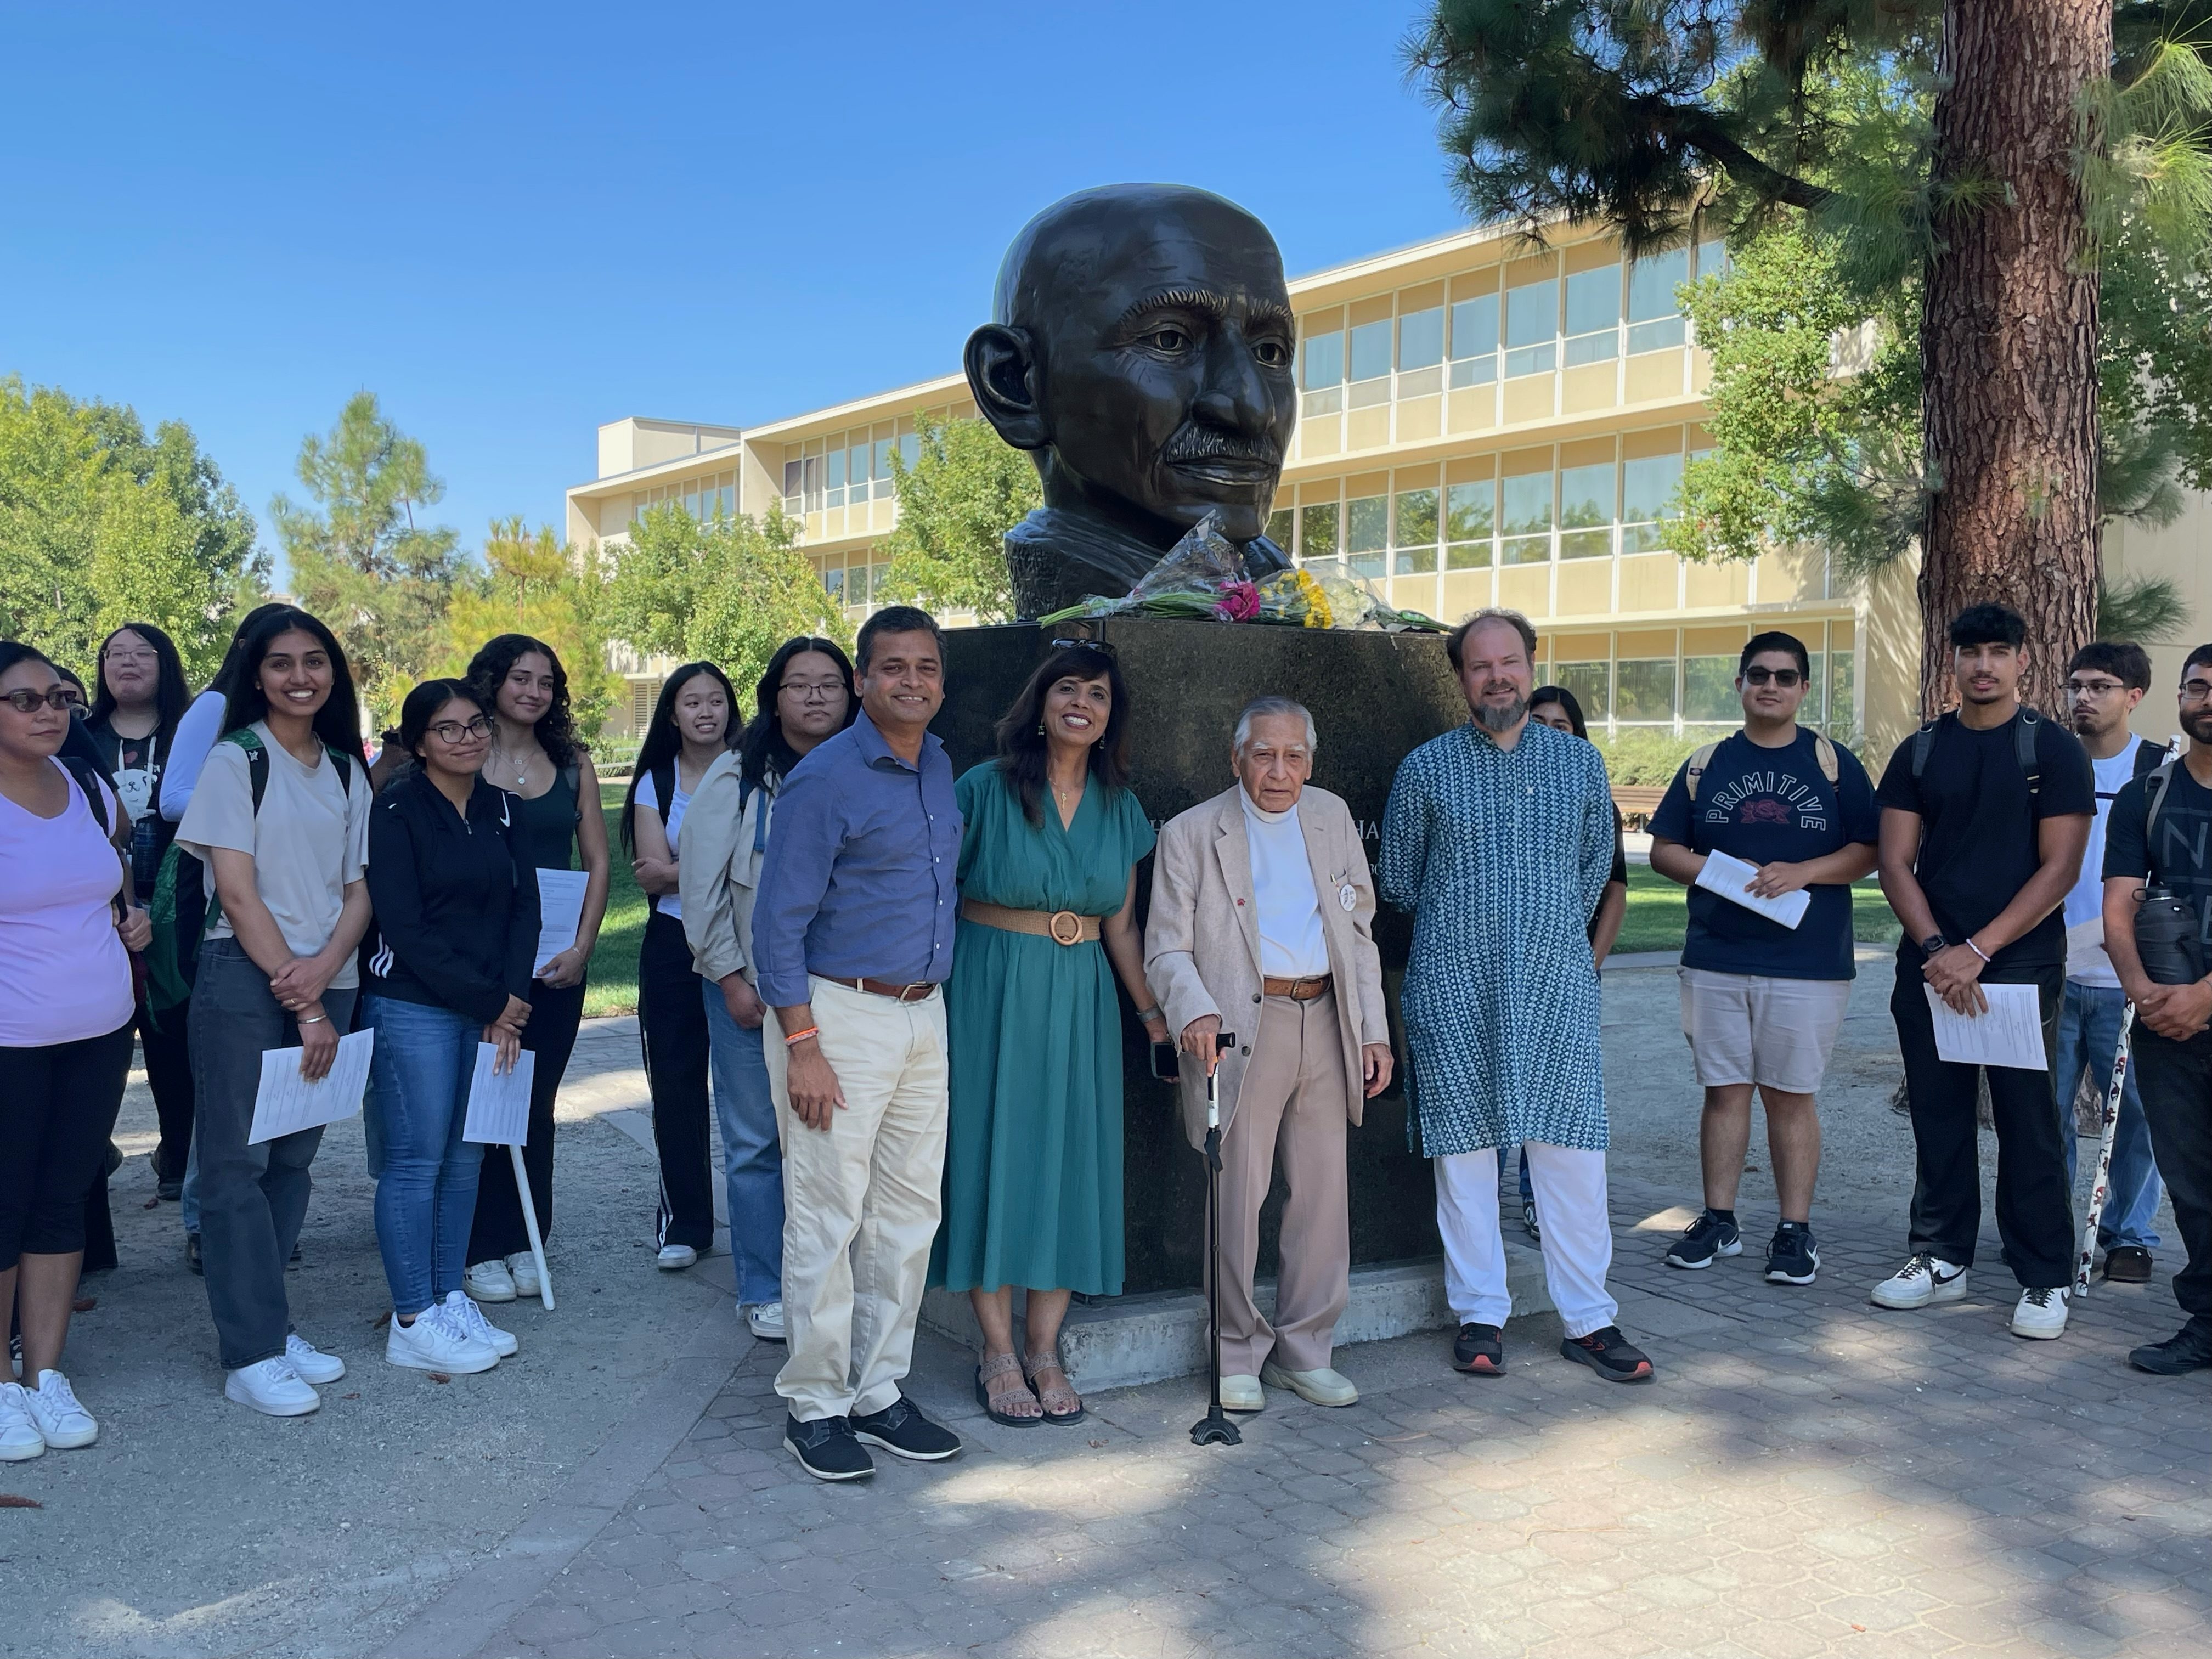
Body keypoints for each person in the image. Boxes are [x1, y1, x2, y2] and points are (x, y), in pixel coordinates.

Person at [1380, 608, 1654, 1383]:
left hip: (1554, 985)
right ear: (1461, 677)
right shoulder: (1426, 769)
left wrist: (1535, 930)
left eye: (1509, 662)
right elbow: (1398, 880)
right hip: (1455, 987)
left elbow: (1595, 867)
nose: (1496, 676)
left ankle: (1590, 1321)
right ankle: (1480, 1316)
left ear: (1531, 666)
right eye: (1479, 665)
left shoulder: (1577, 767)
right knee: (1466, 1159)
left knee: (1570, 1155)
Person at [753, 605, 964, 1481]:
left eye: (925, 668)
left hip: (924, 1014)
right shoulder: (825, 778)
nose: (910, 681)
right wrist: (803, 1042)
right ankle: (814, 1402)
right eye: (891, 668)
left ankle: (878, 1390)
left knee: (908, 1217)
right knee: (828, 1215)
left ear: (941, 684)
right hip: (837, 1016)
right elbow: (776, 923)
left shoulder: (940, 765)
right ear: (864, 682)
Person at [933, 639, 1165, 1426]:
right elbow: (933, 894)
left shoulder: (1122, 808)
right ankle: (995, 1350)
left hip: (1084, 996)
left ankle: (1044, 1347)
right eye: (1068, 689)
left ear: (1110, 717)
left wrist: (1151, 1014)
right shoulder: (983, 790)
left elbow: (1124, 928)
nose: (1083, 704)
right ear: (1041, 703)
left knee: (1069, 1161)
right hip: (991, 987)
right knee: (990, 1153)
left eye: (1098, 696)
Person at [1146, 696, 1392, 1413]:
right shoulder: (1195, 833)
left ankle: (1306, 1351)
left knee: (1322, 1199)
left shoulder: (1332, 817)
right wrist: (1194, 1007)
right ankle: (1234, 1353)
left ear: (1310, 762)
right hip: (1241, 1027)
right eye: (1264, 754)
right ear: (1237, 758)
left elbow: (1359, 936)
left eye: (1293, 756)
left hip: (1326, 1018)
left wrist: (1372, 1029)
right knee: (1237, 1194)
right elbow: (1166, 944)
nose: (1279, 771)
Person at [1874, 602, 2094, 1339]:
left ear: (2022, 662)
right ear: (1954, 660)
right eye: (1971, 652)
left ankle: (2042, 1277)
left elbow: (2060, 870)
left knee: (2027, 1123)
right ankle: (1940, 1259)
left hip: (2018, 964)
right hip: (1932, 967)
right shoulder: (1921, 751)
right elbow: (1893, 862)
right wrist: (1939, 951)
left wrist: (1980, 951)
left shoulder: (2053, 751)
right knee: (1939, 1115)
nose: (1984, 665)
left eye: (1999, 652)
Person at [174, 605, 373, 1416]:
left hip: (330, 978)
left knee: (292, 1161)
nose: (301, 677)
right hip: (247, 983)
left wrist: (326, 975)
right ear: (256, 674)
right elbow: (235, 890)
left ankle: (274, 1321)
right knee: (235, 1169)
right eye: (283, 663)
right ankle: (250, 1350)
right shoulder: (236, 758)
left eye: (315, 661)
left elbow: (360, 890)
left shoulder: (347, 768)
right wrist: (306, 999)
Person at [1646, 632, 1881, 1285]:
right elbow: (1666, 848)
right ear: (1741, 684)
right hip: (1717, 956)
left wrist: (1804, 872)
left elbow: (1870, 849)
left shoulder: (1835, 764)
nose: (1770, 685)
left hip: (1807, 962)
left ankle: (1794, 1231)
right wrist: (1720, 872)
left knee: (1790, 1097)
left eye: (1784, 676)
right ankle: (1719, 1220)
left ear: (1804, 688)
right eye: (1758, 675)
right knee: (1723, 1093)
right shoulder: (1706, 763)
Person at [679, 637, 856, 1342]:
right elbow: (702, 889)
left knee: (832, 1142)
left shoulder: (869, 770)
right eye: (799, 685)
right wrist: (727, 976)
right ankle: (763, 1285)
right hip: (751, 992)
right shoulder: (737, 776)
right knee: (757, 1143)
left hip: (843, 992)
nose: (815, 697)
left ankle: (832, 1280)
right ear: (773, 697)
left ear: (851, 694)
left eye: (829, 685)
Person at [363, 680, 538, 1373]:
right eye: (447, 729)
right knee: (417, 1159)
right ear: (418, 741)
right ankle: (411, 1317)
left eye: (475, 726)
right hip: (415, 1003)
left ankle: (445, 1295)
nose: (466, 739)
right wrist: (488, 1002)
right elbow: (403, 926)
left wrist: (511, 1001)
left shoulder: (504, 808)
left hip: (491, 1006)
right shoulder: (397, 808)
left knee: (467, 1157)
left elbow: (524, 910)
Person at [0, 642, 148, 1460]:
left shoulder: (88, 786)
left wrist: (132, 911)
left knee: (63, 1200)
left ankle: (46, 1372)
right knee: (3, 1206)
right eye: (25, 700)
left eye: (59, 696)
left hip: (97, 1031)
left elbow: (116, 858)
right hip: (9, 1040)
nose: (51, 711)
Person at [460, 636, 612, 1305]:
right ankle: (477, 1247)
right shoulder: (462, 752)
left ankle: (527, 1238)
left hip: (554, 960)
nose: (534, 691)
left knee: (534, 1107)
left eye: (546, 682)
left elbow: (600, 863)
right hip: (479, 962)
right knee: (481, 1103)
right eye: (520, 678)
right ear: (492, 681)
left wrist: (583, 948)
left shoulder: (573, 763)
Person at [155, 601, 287, 1271]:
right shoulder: (213, 707)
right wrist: (245, 796)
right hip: (213, 895)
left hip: (291, 903)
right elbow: (174, 799)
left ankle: (257, 1222)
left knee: (276, 1084)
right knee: (226, 1080)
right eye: (274, 651)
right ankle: (205, 1222)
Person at [2099, 643, 2212, 1374]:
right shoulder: (2150, 793)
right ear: (2177, 697)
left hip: (2194, 1002)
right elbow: (2116, 908)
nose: (2208, 698)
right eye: (2198, 686)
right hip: (2166, 1020)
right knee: (2193, 1181)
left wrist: (2206, 995)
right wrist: (2143, 993)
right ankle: (2208, 1322)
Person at [2056, 641, 2168, 1283]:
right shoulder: (2050, 763)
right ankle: (2052, 1228)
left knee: (2136, 1120)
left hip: (2126, 975)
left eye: (2100, 686)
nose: (2084, 697)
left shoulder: (2160, 769)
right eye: (2076, 685)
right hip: (2052, 974)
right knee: (2047, 1116)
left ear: (2134, 696)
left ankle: (2128, 1234)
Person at [625, 662, 737, 1273]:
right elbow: (648, 870)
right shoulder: (655, 782)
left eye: (715, 700)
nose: (704, 712)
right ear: (672, 713)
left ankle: (765, 1218)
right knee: (675, 1084)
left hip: (740, 942)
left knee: (752, 1089)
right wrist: (718, 863)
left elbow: (673, 870)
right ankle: (686, 1224)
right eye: (691, 702)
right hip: (672, 943)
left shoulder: (752, 772)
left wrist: (683, 867)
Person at [84, 622, 196, 1200]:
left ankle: (181, 1170)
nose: (126, 663)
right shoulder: (79, 736)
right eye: (114, 654)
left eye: (142, 653)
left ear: (166, 663)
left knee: (177, 1056)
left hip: (184, 914)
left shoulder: (193, 735)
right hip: (97, 921)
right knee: (93, 1063)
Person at [1521, 684, 1630, 1240]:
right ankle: (1525, 1195)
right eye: (1534, 721)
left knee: (1556, 1090)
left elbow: (1614, 889)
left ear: (1577, 732)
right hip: (1511, 968)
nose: (1545, 731)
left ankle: (1544, 1200)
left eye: (1559, 725)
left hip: (1567, 968)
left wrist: (1589, 964)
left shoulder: (1592, 797)